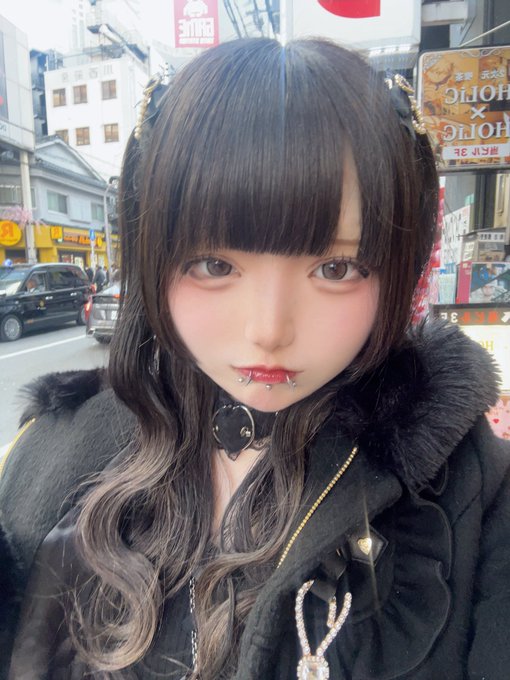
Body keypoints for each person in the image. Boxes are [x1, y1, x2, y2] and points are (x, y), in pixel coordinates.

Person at [1, 38, 509, 680]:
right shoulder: (56, 449)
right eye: (214, 265)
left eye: (336, 268)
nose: (268, 331)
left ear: (399, 268)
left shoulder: (469, 494)